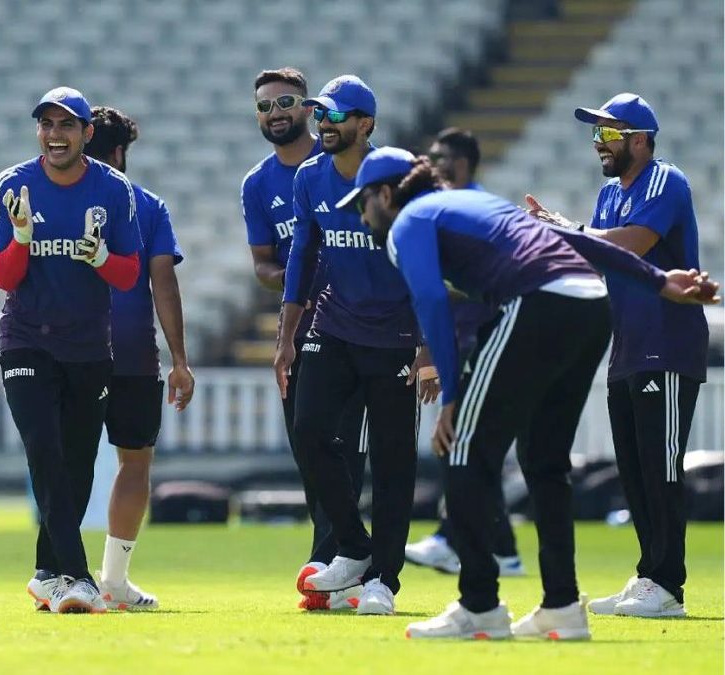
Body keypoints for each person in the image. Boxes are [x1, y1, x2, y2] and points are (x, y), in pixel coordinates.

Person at [340, 148, 717, 639]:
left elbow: (431, 301)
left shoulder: (409, 222)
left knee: (463, 448)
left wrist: (452, 397)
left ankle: (479, 605)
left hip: (540, 300)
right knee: (544, 460)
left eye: (362, 203)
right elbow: (571, 240)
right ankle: (561, 606)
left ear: (386, 194)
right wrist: (660, 279)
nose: (361, 216)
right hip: (591, 305)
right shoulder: (476, 204)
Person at [525, 93, 708, 618]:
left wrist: (569, 230)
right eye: (596, 133)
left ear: (641, 140)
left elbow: (631, 245)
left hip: (667, 344)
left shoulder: (665, 180)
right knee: (634, 471)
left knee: (660, 467)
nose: (598, 143)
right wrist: (556, 234)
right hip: (627, 346)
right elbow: (598, 259)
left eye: (608, 133)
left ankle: (667, 584)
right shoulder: (609, 194)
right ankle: (650, 575)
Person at [274, 75, 439, 616]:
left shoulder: (400, 179)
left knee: (392, 463)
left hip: (394, 339)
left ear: (366, 124)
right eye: (320, 114)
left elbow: (427, 267)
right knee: (309, 433)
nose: (324, 123)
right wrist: (287, 337)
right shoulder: (309, 177)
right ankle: (353, 546)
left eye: (336, 115)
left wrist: (428, 348)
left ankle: (383, 580)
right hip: (333, 328)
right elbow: (303, 254)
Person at [0, 87, 142, 614]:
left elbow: (129, 274)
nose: (55, 135)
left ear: (86, 133)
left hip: (87, 346)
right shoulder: (12, 186)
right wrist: (21, 237)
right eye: (47, 125)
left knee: (76, 465)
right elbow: (3, 276)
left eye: (66, 125)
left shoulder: (113, 190)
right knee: (44, 450)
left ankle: (45, 574)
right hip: (26, 338)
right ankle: (77, 576)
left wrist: (100, 258)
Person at [240, 67, 368, 611]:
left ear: (310, 109)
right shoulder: (257, 184)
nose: (275, 114)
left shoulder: (341, 162)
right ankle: (338, 565)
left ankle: (335, 568)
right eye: (264, 106)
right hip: (306, 326)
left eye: (285, 103)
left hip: (359, 328)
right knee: (311, 449)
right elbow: (264, 265)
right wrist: (298, 278)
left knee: (348, 450)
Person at [82, 105, 193, 611]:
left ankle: (60, 572)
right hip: (132, 353)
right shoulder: (148, 206)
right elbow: (163, 284)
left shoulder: (55, 202)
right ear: (120, 152)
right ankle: (114, 580)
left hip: (70, 349)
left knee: (65, 463)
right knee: (134, 463)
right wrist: (180, 360)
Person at [405, 128, 524, 578]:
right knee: (469, 445)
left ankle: (451, 538)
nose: (434, 164)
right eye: (431, 156)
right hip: (463, 338)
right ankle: (502, 550)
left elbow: (457, 285)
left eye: (442, 157)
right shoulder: (448, 207)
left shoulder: (470, 209)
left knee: (463, 442)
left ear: (463, 163)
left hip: (482, 339)